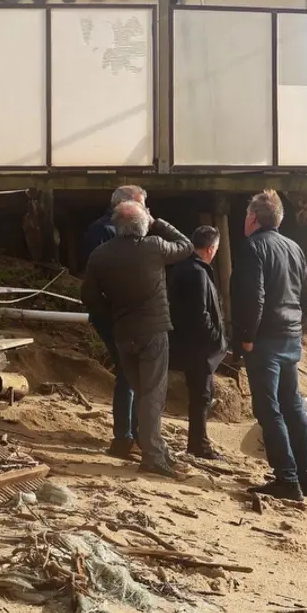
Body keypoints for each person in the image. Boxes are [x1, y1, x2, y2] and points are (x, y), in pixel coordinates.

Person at [82, 201, 193, 478]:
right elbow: (186, 245)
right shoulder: (153, 246)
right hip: (153, 332)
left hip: (123, 333)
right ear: (143, 225)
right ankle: (153, 455)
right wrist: (158, 222)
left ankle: (154, 446)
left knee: (141, 392)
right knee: (152, 395)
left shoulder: (99, 255)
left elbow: (90, 298)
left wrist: (111, 317)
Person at [233, 190, 307, 501]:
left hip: (265, 340)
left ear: (253, 218)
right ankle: (306, 478)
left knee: (269, 410)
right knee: (292, 408)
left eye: (246, 215)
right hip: (290, 339)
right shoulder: (294, 248)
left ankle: (287, 479)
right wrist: (294, 326)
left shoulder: (253, 248)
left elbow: (252, 298)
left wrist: (247, 337)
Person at [79, 185, 146, 459]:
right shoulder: (103, 233)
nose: (147, 213)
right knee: (128, 373)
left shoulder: (120, 233)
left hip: (124, 315)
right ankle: (125, 437)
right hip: (114, 316)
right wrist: (111, 313)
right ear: (128, 207)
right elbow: (96, 283)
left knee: (132, 373)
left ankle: (133, 433)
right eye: (143, 206)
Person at [167, 225, 228, 459]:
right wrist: (216, 339)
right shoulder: (197, 271)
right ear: (211, 248)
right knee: (201, 396)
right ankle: (199, 444)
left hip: (188, 342)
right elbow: (200, 313)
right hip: (197, 346)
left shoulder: (185, 267)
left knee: (202, 394)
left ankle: (199, 442)